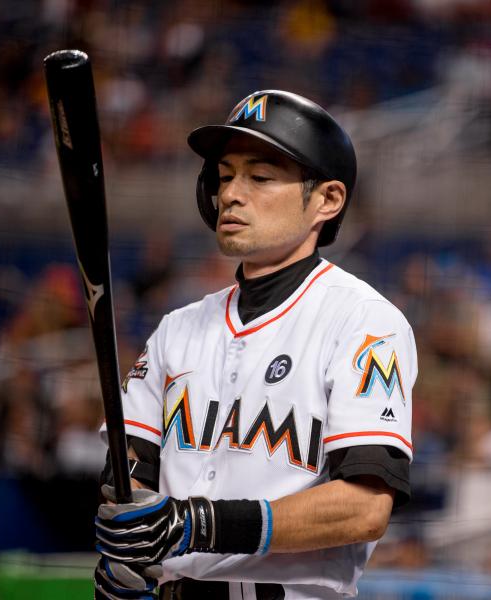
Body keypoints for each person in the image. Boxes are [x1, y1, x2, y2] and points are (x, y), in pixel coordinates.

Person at [93, 90, 416, 599]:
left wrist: (197, 524)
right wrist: (125, 559)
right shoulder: (175, 330)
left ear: (327, 200)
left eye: (260, 177)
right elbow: (129, 487)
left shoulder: (364, 321)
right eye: (223, 177)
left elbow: (364, 508)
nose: (231, 195)